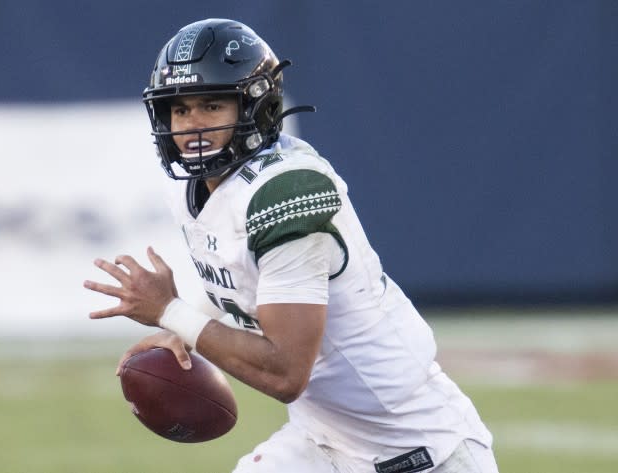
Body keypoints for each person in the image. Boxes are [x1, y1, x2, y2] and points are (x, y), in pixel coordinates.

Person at [84, 18, 499, 473]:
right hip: (322, 439)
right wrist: (183, 327)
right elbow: (236, 275)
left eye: (211, 106)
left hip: (417, 451)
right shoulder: (194, 188)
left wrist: (170, 312)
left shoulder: (288, 191)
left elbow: (285, 372)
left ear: (254, 107)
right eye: (180, 110)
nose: (193, 125)